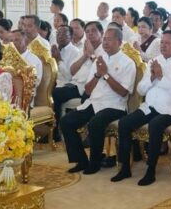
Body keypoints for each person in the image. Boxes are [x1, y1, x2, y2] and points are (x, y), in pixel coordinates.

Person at [113, 30, 171, 186]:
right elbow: (141, 90)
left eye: (168, 43)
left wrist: (161, 77)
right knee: (124, 123)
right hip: (149, 107)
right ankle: (124, 168)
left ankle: (151, 170)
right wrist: (152, 77)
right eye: (162, 42)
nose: (163, 46)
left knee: (155, 125)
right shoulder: (153, 62)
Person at [59, 27, 137, 175]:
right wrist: (97, 75)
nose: (105, 42)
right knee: (66, 122)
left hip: (115, 105)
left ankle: (94, 164)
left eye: (109, 39)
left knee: (95, 123)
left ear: (119, 42)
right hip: (94, 102)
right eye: (104, 39)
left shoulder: (128, 63)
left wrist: (105, 74)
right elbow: (88, 90)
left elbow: (123, 92)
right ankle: (81, 160)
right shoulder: (99, 60)